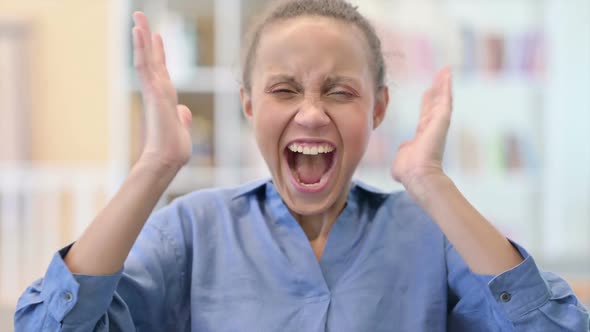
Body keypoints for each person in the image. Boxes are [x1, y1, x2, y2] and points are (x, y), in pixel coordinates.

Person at [14, 0, 590, 331]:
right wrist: (155, 165)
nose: (311, 113)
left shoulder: (433, 236)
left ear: (378, 107)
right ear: (248, 105)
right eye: (284, 89)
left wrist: (430, 181)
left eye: (339, 91)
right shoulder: (190, 229)